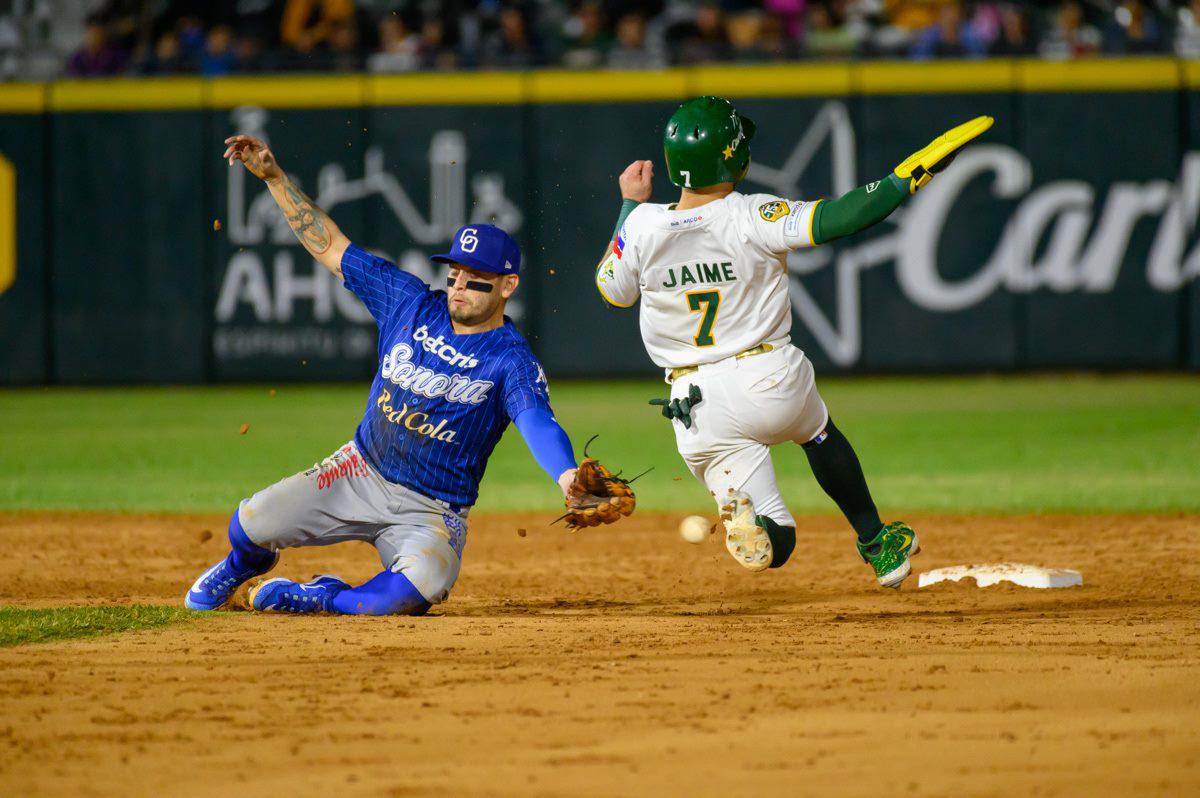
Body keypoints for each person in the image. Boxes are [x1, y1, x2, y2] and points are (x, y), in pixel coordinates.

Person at [185, 133, 629, 615]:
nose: (459, 286)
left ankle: (322, 595)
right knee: (250, 522)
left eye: (475, 279)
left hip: (432, 512)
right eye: (454, 274)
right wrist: (274, 179)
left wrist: (567, 477)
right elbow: (331, 246)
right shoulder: (409, 303)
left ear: (508, 286)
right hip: (357, 471)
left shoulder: (510, 359)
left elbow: (537, 421)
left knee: (406, 597)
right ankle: (239, 566)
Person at [594, 96, 991, 588]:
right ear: (734, 156)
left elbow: (612, 291)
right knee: (818, 432)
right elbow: (841, 217)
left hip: (693, 405)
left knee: (779, 539)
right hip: (767, 379)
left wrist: (630, 205)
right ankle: (876, 542)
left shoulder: (641, 225)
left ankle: (754, 524)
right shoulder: (750, 213)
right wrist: (902, 179)